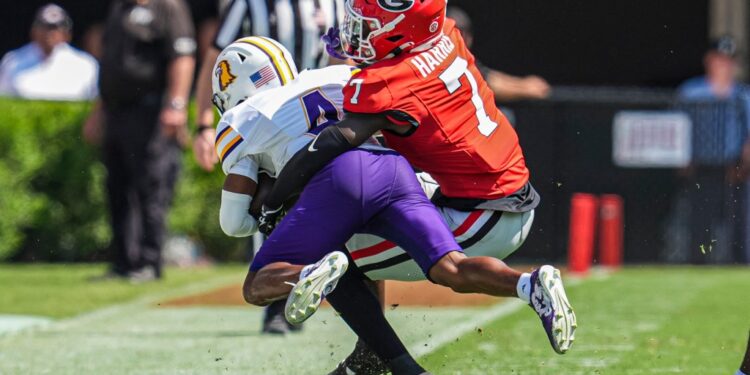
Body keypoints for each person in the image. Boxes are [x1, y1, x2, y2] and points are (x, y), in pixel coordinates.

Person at [211, 36, 574, 375]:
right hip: (394, 169)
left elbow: (234, 222)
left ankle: (308, 274)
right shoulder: (338, 74)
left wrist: (268, 198)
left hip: (337, 181)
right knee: (451, 267)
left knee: (257, 284)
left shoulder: (243, 118)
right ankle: (529, 285)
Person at [191, 0, 345, 334]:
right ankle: (281, 299)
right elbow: (216, 58)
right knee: (268, 204)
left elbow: (339, 57)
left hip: (315, 113)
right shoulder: (249, 3)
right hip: (265, 120)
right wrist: (203, 122)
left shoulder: (333, 4)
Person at [82, 0, 196, 282]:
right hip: (116, 110)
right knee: (118, 187)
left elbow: (182, 57)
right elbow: (110, 63)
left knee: (150, 187)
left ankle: (149, 261)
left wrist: (177, 104)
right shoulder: (119, 8)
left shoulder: (168, 7)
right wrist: (99, 111)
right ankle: (123, 262)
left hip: (150, 110)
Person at [447, 6, 549, 101]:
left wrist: (525, 84)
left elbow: (488, 75)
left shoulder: (461, 58)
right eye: (458, 33)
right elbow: (491, 85)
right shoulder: (449, 60)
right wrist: (526, 90)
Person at [0, 3, 98, 100]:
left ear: (67, 34)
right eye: (44, 27)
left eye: (55, 28)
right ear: (33, 31)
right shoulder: (12, 61)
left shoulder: (86, 65)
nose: (49, 33)